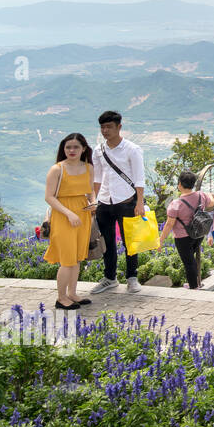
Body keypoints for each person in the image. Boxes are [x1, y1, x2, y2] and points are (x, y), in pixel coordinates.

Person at [89, 110, 145, 296]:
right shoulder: (99, 150)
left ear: (119, 127)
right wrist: (93, 201)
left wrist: (140, 203)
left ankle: (132, 278)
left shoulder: (132, 149)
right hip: (105, 201)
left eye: (109, 127)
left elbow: (139, 178)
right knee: (107, 242)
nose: (105, 131)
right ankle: (110, 278)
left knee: (131, 242)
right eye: (103, 127)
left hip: (127, 200)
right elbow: (97, 177)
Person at [43, 132, 97, 310]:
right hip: (63, 215)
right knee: (67, 259)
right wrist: (69, 214)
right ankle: (61, 298)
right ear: (63, 149)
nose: (72, 150)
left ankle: (72, 293)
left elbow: (90, 191)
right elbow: (49, 197)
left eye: (76, 147)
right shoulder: (57, 169)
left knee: (77, 257)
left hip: (83, 215)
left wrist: (94, 202)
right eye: (68, 147)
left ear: (83, 149)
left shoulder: (89, 168)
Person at [158, 171, 214, 290]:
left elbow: (169, 224)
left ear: (179, 184)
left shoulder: (175, 204)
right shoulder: (201, 195)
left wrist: (161, 240)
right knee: (191, 260)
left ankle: (194, 287)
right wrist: (209, 195)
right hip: (199, 233)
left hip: (183, 238)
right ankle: (194, 283)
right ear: (193, 184)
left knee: (188, 262)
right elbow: (212, 203)